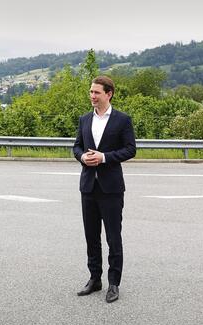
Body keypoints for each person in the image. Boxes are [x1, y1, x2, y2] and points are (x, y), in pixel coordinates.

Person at [73, 75, 136, 303]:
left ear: (108, 94)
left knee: (113, 237)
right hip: (88, 187)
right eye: (91, 92)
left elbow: (130, 149)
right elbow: (77, 146)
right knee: (91, 237)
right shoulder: (84, 119)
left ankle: (114, 283)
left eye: (96, 92)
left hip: (111, 188)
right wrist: (82, 157)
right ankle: (94, 279)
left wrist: (104, 157)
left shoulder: (122, 120)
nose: (92, 96)